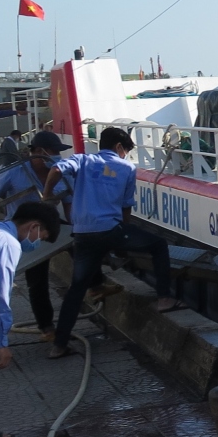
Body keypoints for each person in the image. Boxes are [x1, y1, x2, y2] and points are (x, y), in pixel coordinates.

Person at [43, 128, 181, 359]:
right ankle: (165, 298)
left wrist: (47, 195)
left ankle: (59, 346)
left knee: (76, 289)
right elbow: (126, 207)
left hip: (83, 234)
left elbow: (56, 169)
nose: (125, 155)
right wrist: (122, 239)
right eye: (126, 150)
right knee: (158, 245)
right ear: (119, 147)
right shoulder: (126, 168)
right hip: (110, 230)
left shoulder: (83, 160)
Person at [0, 201, 62, 437]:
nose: (37, 242)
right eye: (42, 236)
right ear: (34, 227)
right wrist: (1, 343)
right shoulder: (7, 243)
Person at [0, 131, 72, 340]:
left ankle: (96, 286)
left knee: (81, 245)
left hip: (50, 225)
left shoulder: (61, 172)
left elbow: (68, 204)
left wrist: (74, 227)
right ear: (39, 151)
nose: (56, 156)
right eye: (53, 151)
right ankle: (47, 328)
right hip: (24, 232)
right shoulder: (15, 172)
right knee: (37, 280)